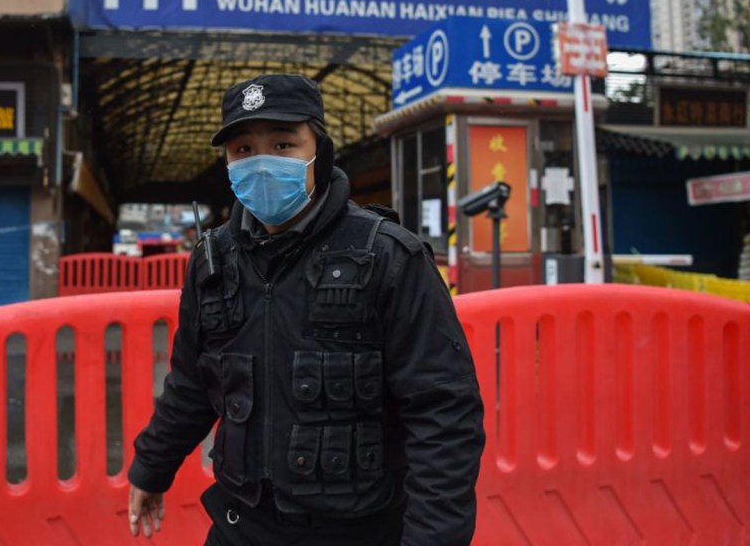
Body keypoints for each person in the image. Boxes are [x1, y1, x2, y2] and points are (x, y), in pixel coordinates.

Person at [127, 74, 485, 545]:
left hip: (359, 531)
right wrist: (152, 467)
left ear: (320, 151)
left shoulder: (388, 257)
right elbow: (193, 382)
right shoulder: (213, 262)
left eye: (283, 144)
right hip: (241, 526)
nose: (261, 164)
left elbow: (443, 414)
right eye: (243, 150)